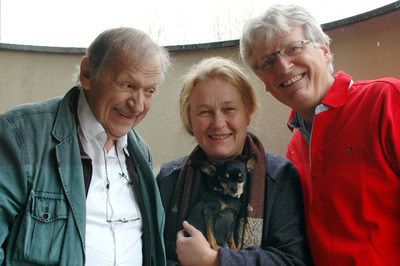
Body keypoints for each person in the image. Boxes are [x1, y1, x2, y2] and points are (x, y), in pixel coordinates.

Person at [240, 4, 400, 265]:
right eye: (268, 62)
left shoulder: (386, 100)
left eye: (293, 48)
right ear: (265, 83)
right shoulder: (294, 148)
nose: (283, 65)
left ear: (324, 49)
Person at [0, 27, 170, 265]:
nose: (138, 105)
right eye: (128, 85)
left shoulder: (141, 152)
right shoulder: (21, 135)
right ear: (87, 74)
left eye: (149, 91)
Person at [157, 57, 312, 266]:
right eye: (205, 112)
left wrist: (214, 261)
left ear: (247, 113)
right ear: (190, 120)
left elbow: (293, 261)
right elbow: (153, 256)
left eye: (229, 109)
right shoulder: (168, 179)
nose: (218, 123)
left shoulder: (278, 177)